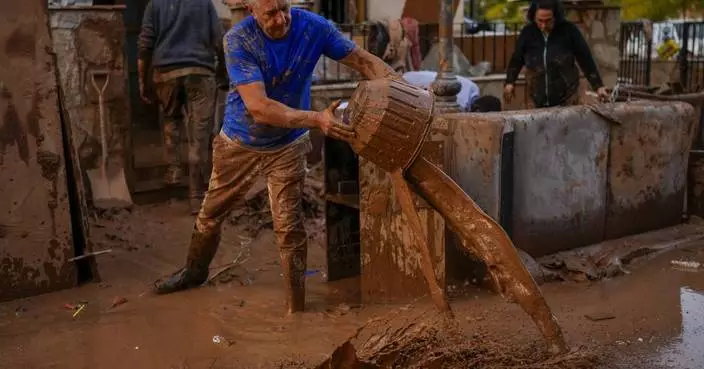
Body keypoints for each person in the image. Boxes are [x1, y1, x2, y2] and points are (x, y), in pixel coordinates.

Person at [153, 0, 399, 315]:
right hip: (240, 142)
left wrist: (403, 91)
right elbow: (260, 108)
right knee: (210, 215)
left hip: (288, 144)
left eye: (284, 8)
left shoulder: (313, 26)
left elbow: (363, 61)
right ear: (251, 11)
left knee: (289, 226)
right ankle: (194, 271)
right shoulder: (238, 40)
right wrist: (317, 119)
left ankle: (294, 308)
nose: (281, 19)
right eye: (270, 13)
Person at [138, 0, 226, 214]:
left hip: (166, 73)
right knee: (199, 133)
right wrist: (223, 72)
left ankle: (174, 169)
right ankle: (196, 195)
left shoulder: (154, 5)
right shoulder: (204, 3)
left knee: (171, 119)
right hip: (200, 72)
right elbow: (220, 39)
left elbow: (144, 45)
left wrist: (142, 81)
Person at [503, 0, 609, 108]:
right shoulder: (527, 33)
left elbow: (585, 58)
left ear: (556, 17)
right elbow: (516, 59)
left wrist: (598, 86)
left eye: (548, 21)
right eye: (540, 21)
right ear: (534, 17)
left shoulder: (569, 30)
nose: (543, 25)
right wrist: (509, 82)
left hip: (567, 98)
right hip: (536, 98)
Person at [402, 70, 480, 112]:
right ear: (477, 110)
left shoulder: (474, 87)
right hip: (407, 83)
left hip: (412, 75)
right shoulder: (462, 104)